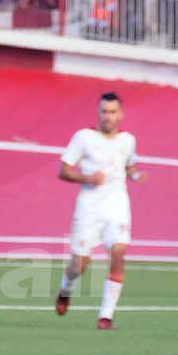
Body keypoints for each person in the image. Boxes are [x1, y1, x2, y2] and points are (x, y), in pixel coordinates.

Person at [54, 92, 145, 330]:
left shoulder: (128, 140)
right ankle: (65, 289)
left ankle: (106, 317)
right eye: (104, 111)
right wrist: (88, 178)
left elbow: (129, 165)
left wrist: (135, 175)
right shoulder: (83, 137)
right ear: (98, 113)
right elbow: (63, 170)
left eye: (113, 112)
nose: (108, 116)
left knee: (118, 252)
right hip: (89, 208)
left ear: (120, 114)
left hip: (117, 206)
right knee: (78, 266)